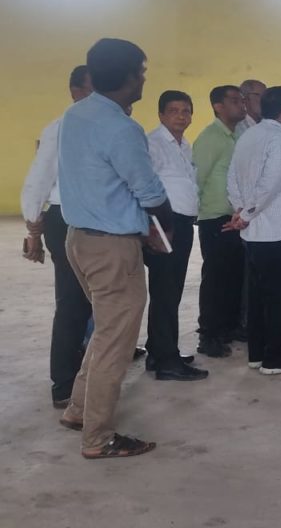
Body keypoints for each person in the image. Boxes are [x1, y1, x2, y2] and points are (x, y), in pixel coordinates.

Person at [58, 37, 173, 458]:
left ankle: (78, 410)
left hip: (80, 240)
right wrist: (166, 225)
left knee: (107, 332)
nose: (143, 79)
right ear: (128, 77)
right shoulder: (121, 128)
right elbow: (148, 190)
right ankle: (98, 438)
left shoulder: (75, 114)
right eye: (141, 72)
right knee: (116, 343)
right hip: (112, 248)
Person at [20, 65, 98, 408]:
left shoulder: (102, 125)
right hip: (65, 218)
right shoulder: (61, 128)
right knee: (72, 303)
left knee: (96, 300)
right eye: (91, 90)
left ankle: (88, 366)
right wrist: (33, 229)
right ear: (75, 91)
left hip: (96, 221)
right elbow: (38, 180)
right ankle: (64, 384)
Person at [226, 86, 281, 375]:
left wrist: (240, 209)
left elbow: (232, 176)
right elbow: (271, 184)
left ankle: (257, 353)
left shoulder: (248, 135)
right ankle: (276, 358)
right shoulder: (280, 139)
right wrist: (246, 214)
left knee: (260, 296)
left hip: (256, 233)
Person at [142, 90, 207, 381]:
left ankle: (159, 351)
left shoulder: (184, 145)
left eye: (186, 111)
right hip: (163, 225)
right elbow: (143, 186)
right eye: (174, 111)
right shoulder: (153, 144)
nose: (181, 116)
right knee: (166, 290)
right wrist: (151, 227)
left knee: (170, 290)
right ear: (161, 115)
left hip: (182, 223)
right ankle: (167, 360)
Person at [192, 85, 248, 358]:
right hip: (215, 218)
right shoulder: (210, 138)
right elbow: (197, 178)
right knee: (215, 279)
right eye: (235, 100)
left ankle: (229, 327)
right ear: (218, 106)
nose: (242, 105)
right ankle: (209, 335)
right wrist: (200, 215)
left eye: (242, 100)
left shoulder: (238, 135)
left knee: (234, 277)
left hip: (235, 218)